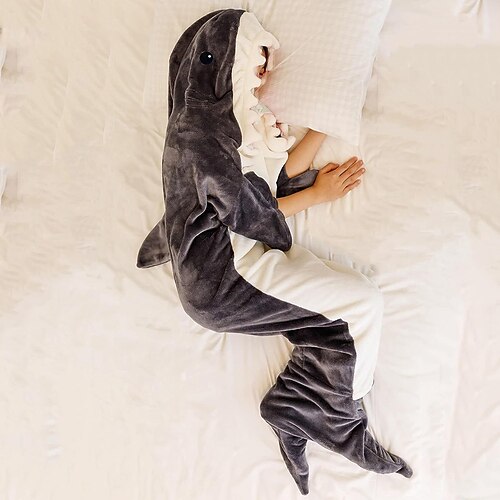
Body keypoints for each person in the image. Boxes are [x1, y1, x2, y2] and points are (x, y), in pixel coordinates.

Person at [255, 45, 366, 219]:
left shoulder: (256, 113)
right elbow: (251, 214)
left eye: (262, 66)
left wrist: (323, 125)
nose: (262, 73)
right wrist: (316, 194)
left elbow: (274, 178)